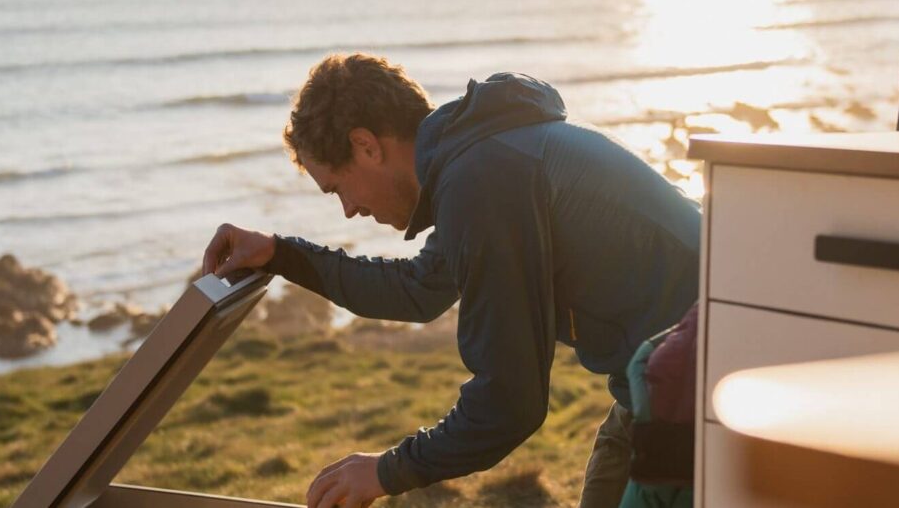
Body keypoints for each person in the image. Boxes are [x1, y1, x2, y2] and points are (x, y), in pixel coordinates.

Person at [202, 53, 700, 508]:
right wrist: (279, 253)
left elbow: (509, 402)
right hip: (669, 371)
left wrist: (385, 471)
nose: (349, 209)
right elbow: (416, 289)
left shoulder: (483, 180)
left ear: (365, 145)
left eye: (338, 188)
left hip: (704, 373)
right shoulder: (482, 162)